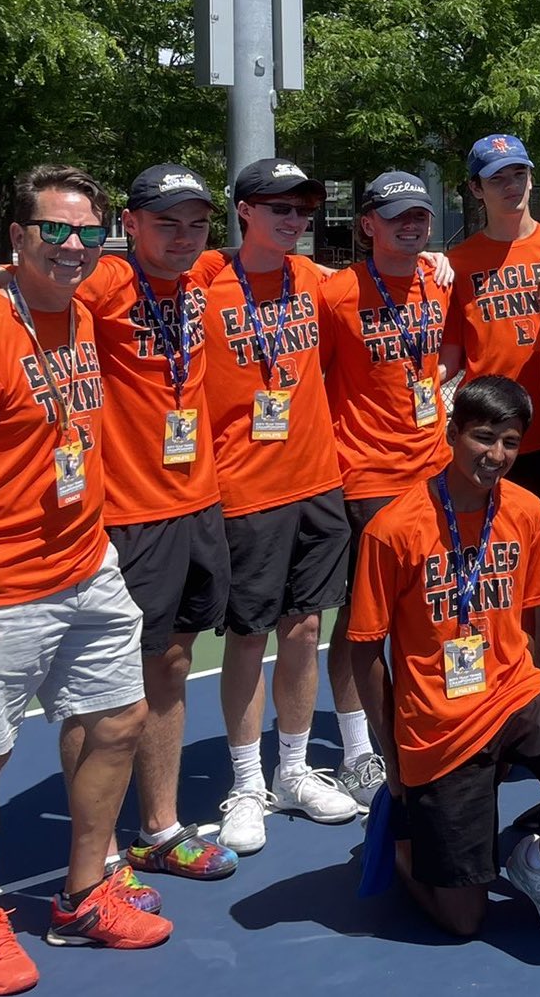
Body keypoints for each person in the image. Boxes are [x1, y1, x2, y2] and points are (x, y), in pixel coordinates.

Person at [0, 163, 241, 892]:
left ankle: (134, 847)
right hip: (82, 539)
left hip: (149, 524)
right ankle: (14, 898)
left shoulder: (191, 277)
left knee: (149, 681)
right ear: (130, 228)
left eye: (196, 222)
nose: (72, 244)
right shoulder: (87, 284)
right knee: (35, 728)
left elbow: (282, 248)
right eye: (166, 221)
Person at [0, 165, 170, 995]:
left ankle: (85, 892)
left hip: (85, 564)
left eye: (86, 232)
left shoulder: (88, 304)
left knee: (120, 721)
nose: (72, 246)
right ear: (18, 237)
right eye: (53, 230)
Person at [346, 375, 540, 941]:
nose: (497, 455)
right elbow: (365, 652)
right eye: (483, 438)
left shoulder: (528, 512)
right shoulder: (392, 530)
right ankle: (406, 840)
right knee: (463, 921)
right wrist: (394, 760)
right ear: (452, 433)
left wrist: (520, 704)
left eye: (510, 442)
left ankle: (536, 859)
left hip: (516, 694)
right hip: (438, 727)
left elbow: (537, 611)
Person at [197, 158, 359, 851]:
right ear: (243, 211)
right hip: (245, 493)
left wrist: (438, 266)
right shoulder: (203, 282)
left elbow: (392, 276)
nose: (293, 221)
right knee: (248, 637)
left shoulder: (315, 282)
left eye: (302, 211)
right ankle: (246, 780)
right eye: (278, 209)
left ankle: (294, 769)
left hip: (318, 484)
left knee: (302, 632)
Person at [319, 171, 458, 809]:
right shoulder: (335, 293)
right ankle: (357, 750)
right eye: (397, 216)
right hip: (367, 479)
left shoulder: (437, 279)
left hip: (435, 469)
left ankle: (428, 717)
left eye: (421, 216)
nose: (412, 225)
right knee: (362, 623)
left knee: (433, 606)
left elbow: (443, 359)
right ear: (367, 223)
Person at [442, 134, 540, 659]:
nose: (512, 186)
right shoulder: (459, 263)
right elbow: (453, 357)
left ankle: (533, 678)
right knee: (491, 569)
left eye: (518, 173)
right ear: (476, 188)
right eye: (498, 177)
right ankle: (498, 670)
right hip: (492, 444)